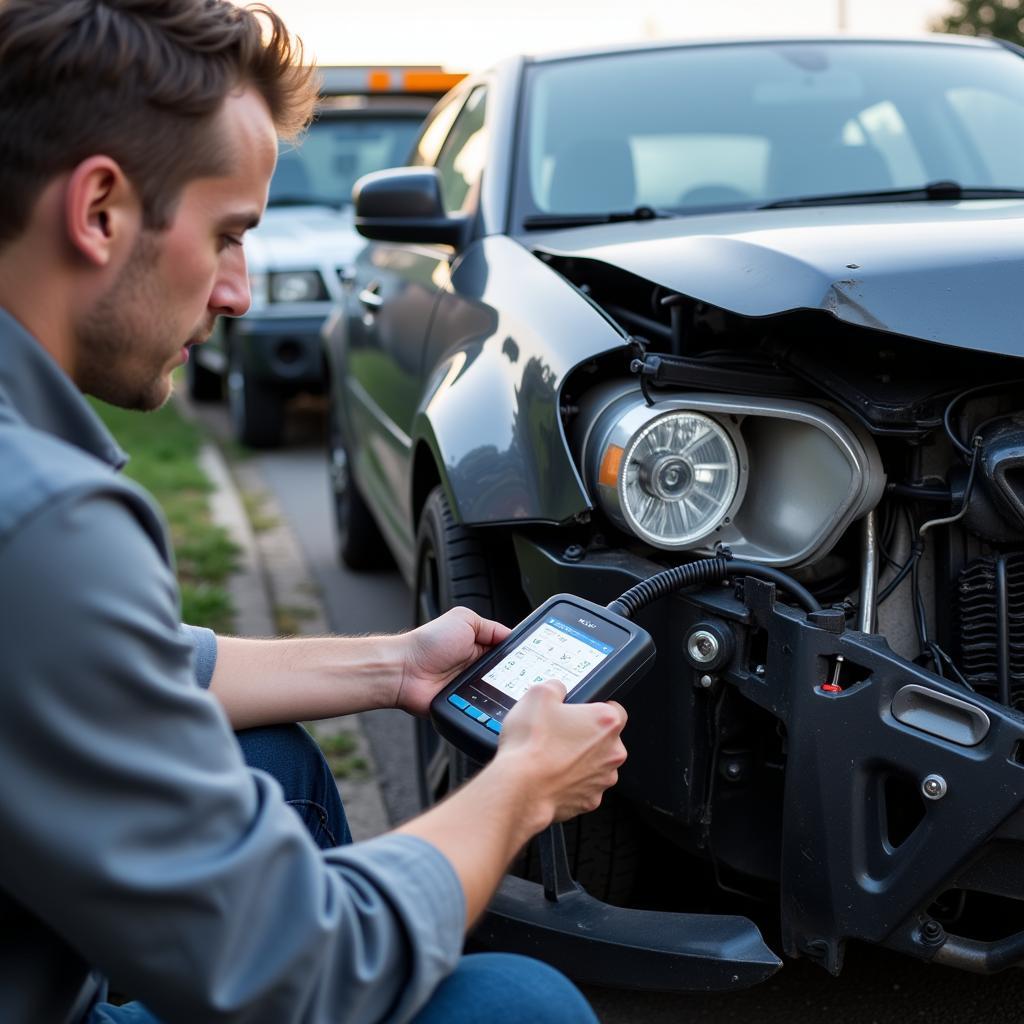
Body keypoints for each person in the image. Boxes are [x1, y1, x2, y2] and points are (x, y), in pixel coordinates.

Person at [0, 2, 629, 1022]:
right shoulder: (45, 517)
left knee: (276, 755)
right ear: (101, 210)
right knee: (519, 1002)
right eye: (228, 234)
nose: (239, 293)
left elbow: (139, 670)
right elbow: (306, 964)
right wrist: (519, 790)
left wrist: (395, 665)